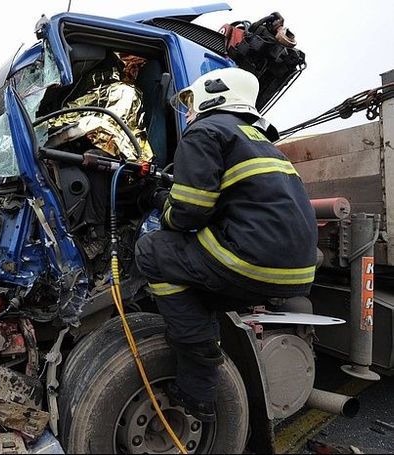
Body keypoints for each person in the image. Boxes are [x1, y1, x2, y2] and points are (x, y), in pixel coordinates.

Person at [135, 67, 317, 422]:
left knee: (153, 251)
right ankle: (200, 378)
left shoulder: (204, 131)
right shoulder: (262, 143)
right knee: (194, 288)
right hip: (297, 270)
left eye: (191, 102)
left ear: (212, 96)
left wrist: (159, 201)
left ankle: (200, 378)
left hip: (249, 259)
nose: (187, 111)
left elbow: (188, 214)